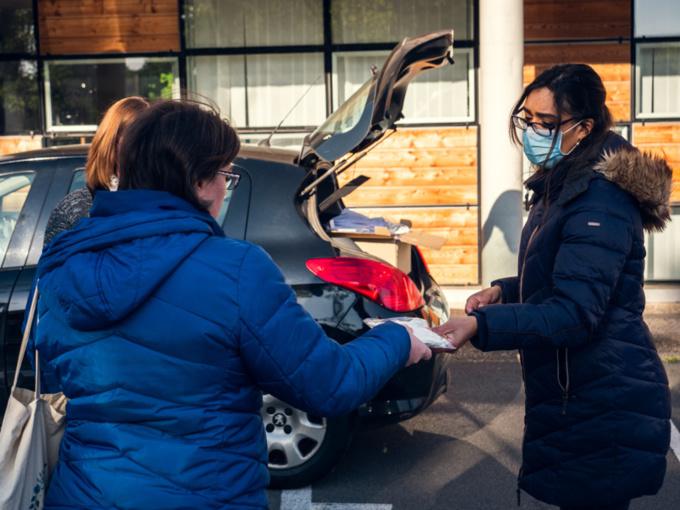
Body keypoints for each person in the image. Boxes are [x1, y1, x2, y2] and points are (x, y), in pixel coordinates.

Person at [33, 99, 432, 509]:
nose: (227, 186)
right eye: (226, 173)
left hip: (82, 495)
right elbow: (328, 384)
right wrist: (397, 339)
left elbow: (53, 372)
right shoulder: (237, 268)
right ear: (199, 181)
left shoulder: (63, 263)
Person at [434, 64, 672, 510]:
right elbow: (563, 272)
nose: (531, 132)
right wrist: (505, 291)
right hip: (579, 395)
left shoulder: (599, 199)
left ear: (583, 128)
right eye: (527, 120)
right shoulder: (563, 185)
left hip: (604, 403)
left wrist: (479, 326)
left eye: (545, 124)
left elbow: (573, 313)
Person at [43, 96, 149, 246]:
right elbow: (53, 266)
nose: (147, 148)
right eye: (138, 138)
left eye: (152, 139)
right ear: (112, 141)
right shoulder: (74, 210)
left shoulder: (166, 204)